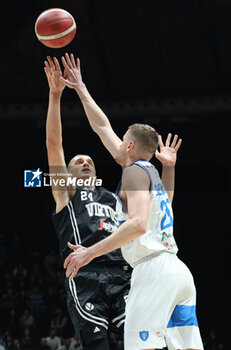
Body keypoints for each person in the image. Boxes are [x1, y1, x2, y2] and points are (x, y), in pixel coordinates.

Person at [61, 53, 204, 350]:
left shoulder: (133, 173)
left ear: (129, 145)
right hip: (178, 272)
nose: (115, 140)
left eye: (121, 138)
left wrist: (89, 252)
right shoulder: (149, 171)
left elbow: (139, 225)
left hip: (153, 271)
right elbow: (102, 127)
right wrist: (80, 88)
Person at [44, 56, 132, 350]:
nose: (85, 163)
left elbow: (110, 136)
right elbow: (54, 144)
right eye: (78, 161)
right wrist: (55, 96)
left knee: (147, 340)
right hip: (85, 275)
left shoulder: (113, 197)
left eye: (90, 161)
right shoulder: (65, 194)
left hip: (122, 272)